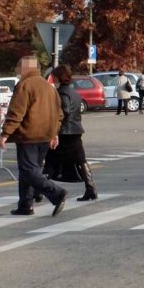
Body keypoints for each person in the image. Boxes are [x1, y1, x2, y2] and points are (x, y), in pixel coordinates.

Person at [0, 56, 67, 216]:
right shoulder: (49, 87)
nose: (16, 70)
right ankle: (25, 205)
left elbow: (16, 112)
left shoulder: (24, 85)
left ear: (25, 69)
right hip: (45, 135)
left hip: (28, 135)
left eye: (18, 67)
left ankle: (57, 193)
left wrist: (5, 133)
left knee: (28, 170)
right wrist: (54, 133)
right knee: (29, 172)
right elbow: (59, 114)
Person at [45, 65, 97, 201]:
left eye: (54, 76)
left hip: (64, 132)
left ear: (58, 77)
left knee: (50, 161)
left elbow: (65, 111)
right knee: (80, 160)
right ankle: (90, 188)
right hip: (75, 130)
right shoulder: (74, 92)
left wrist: (55, 129)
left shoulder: (61, 93)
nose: (53, 79)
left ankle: (40, 190)